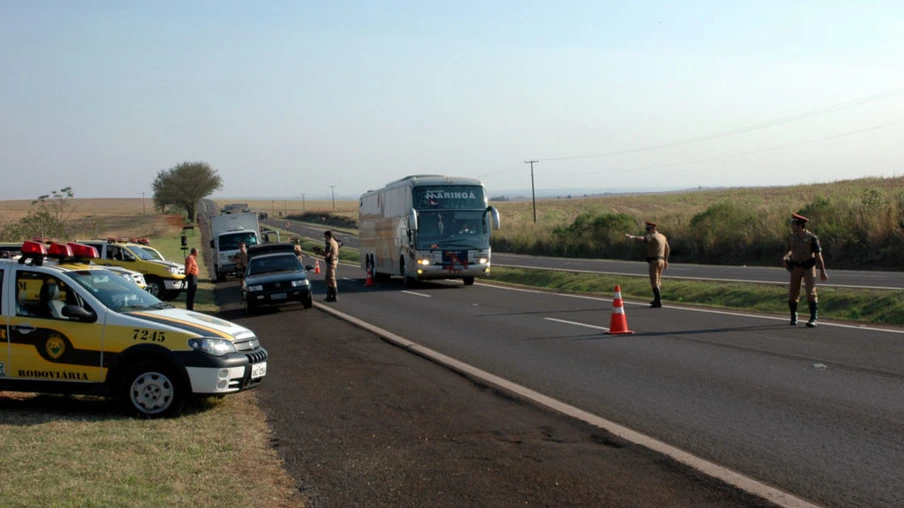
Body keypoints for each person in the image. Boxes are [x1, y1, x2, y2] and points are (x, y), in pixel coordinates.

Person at [782, 213, 829, 327]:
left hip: (808, 267)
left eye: (794, 224)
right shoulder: (791, 237)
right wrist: (785, 257)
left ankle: (813, 318)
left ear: (800, 225)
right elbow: (790, 250)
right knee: (793, 293)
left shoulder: (812, 238)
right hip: (795, 267)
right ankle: (794, 316)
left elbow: (818, 255)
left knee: (811, 292)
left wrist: (823, 271)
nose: (792, 226)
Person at [626, 221, 670, 308]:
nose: (647, 231)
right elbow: (667, 249)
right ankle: (656, 299)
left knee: (654, 281)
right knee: (658, 280)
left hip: (654, 261)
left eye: (648, 229)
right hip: (661, 260)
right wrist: (666, 260)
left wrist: (633, 237)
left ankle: (658, 301)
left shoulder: (652, 236)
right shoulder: (662, 236)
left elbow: (643, 238)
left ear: (653, 229)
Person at [313, 230, 341, 302]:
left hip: (331, 262)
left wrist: (319, 252)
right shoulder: (335, 241)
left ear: (327, 236)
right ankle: (331, 295)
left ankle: (334, 295)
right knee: (328, 278)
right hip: (334, 261)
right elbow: (340, 246)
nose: (324, 238)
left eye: (325, 236)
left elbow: (327, 254)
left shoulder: (329, 242)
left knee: (331, 279)